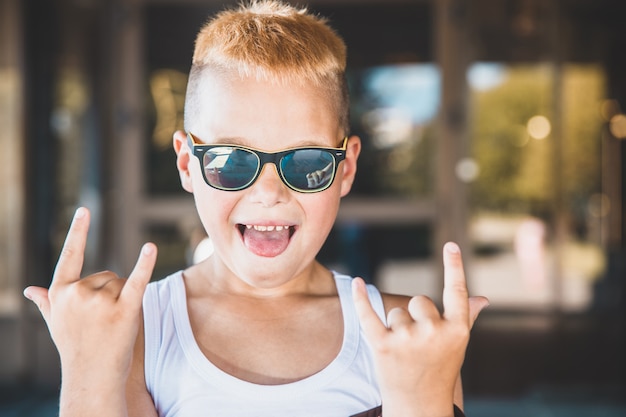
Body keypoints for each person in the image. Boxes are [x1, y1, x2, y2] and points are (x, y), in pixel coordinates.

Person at [23, 1, 489, 416]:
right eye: (231, 160)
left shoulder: (408, 336)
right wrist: (87, 372)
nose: (269, 193)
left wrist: (421, 399)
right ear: (188, 164)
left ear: (345, 170)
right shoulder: (135, 330)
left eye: (305, 161)